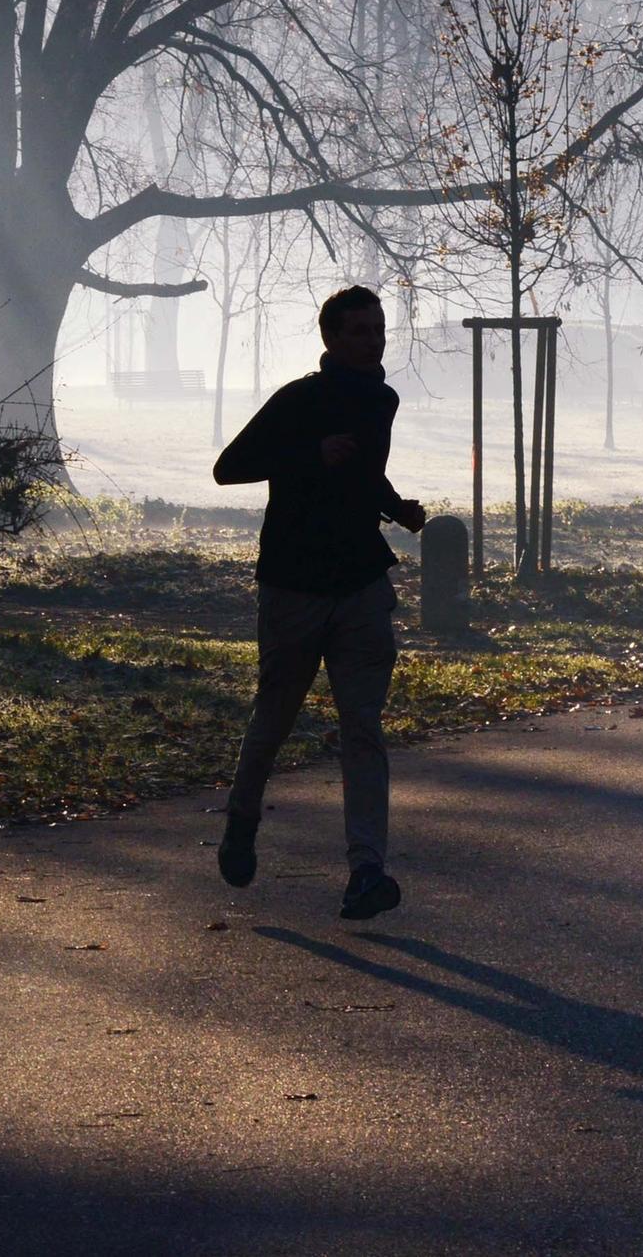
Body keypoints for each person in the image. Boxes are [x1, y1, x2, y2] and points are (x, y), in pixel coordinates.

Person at [210, 284, 427, 920]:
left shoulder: (382, 399)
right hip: (294, 586)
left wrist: (394, 507)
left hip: (361, 584)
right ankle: (242, 821)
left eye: (379, 328)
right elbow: (229, 468)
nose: (374, 340)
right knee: (275, 718)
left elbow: (363, 469)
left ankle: (366, 872)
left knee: (363, 726)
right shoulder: (298, 399)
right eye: (360, 330)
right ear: (331, 338)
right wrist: (309, 454)